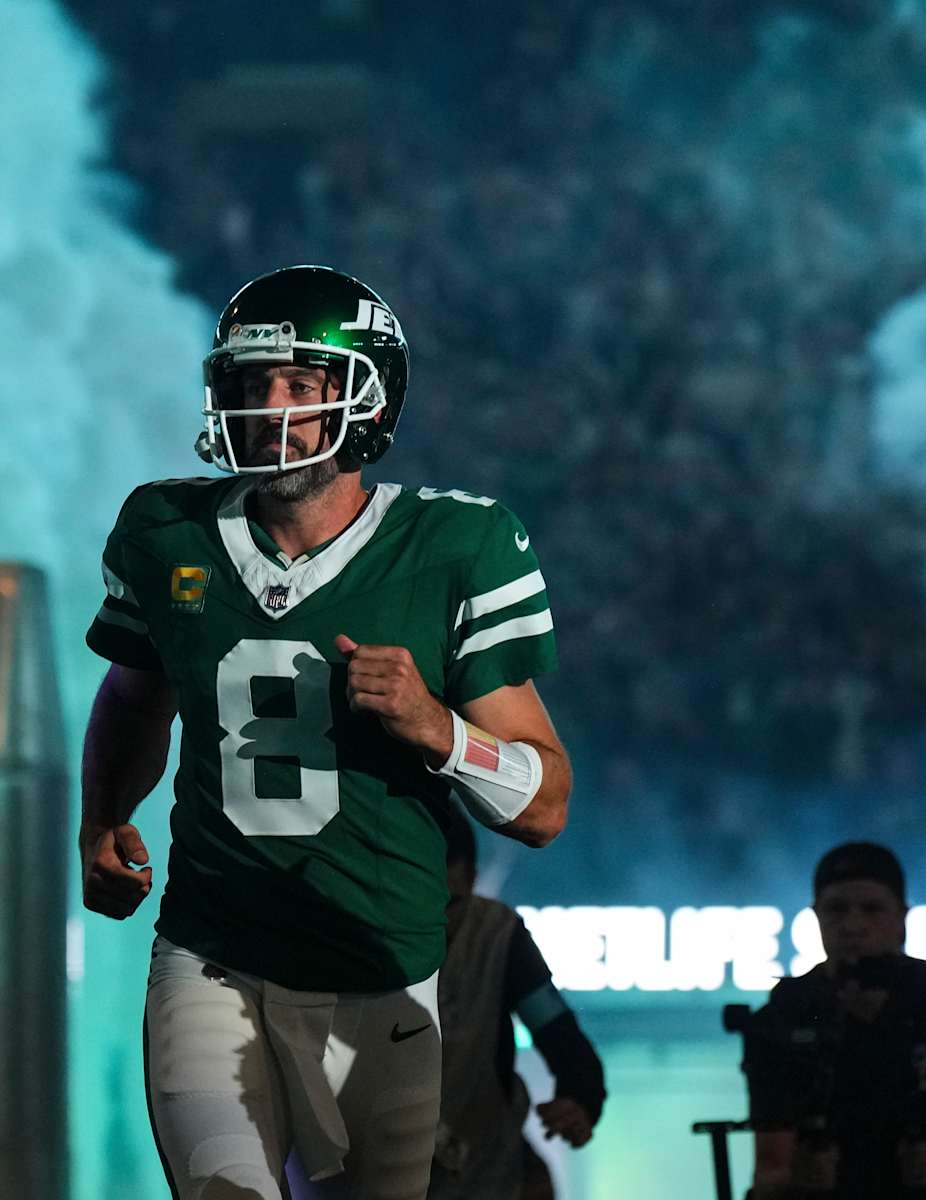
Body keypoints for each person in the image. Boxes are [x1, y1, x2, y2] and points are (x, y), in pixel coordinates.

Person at [80, 264, 574, 1200]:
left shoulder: (456, 545)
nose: (272, 409)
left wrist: (438, 728)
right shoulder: (164, 530)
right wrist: (100, 820)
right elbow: (133, 697)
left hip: (379, 965)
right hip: (212, 955)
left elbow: (544, 805)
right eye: (250, 383)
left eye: (301, 384)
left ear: (369, 399)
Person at [744, 842, 926, 1199]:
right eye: (837, 910)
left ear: (901, 917)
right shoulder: (786, 1015)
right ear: (816, 917)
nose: (853, 925)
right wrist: (798, 1177)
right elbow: (768, 1172)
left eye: (871, 909)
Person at [428, 803, 605, 1200]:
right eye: (425, 904)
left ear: (472, 880)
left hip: (488, 1165)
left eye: (451, 905)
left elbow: (557, 1030)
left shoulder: (497, 935)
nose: (439, 922)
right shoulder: (361, 937)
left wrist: (579, 1097)